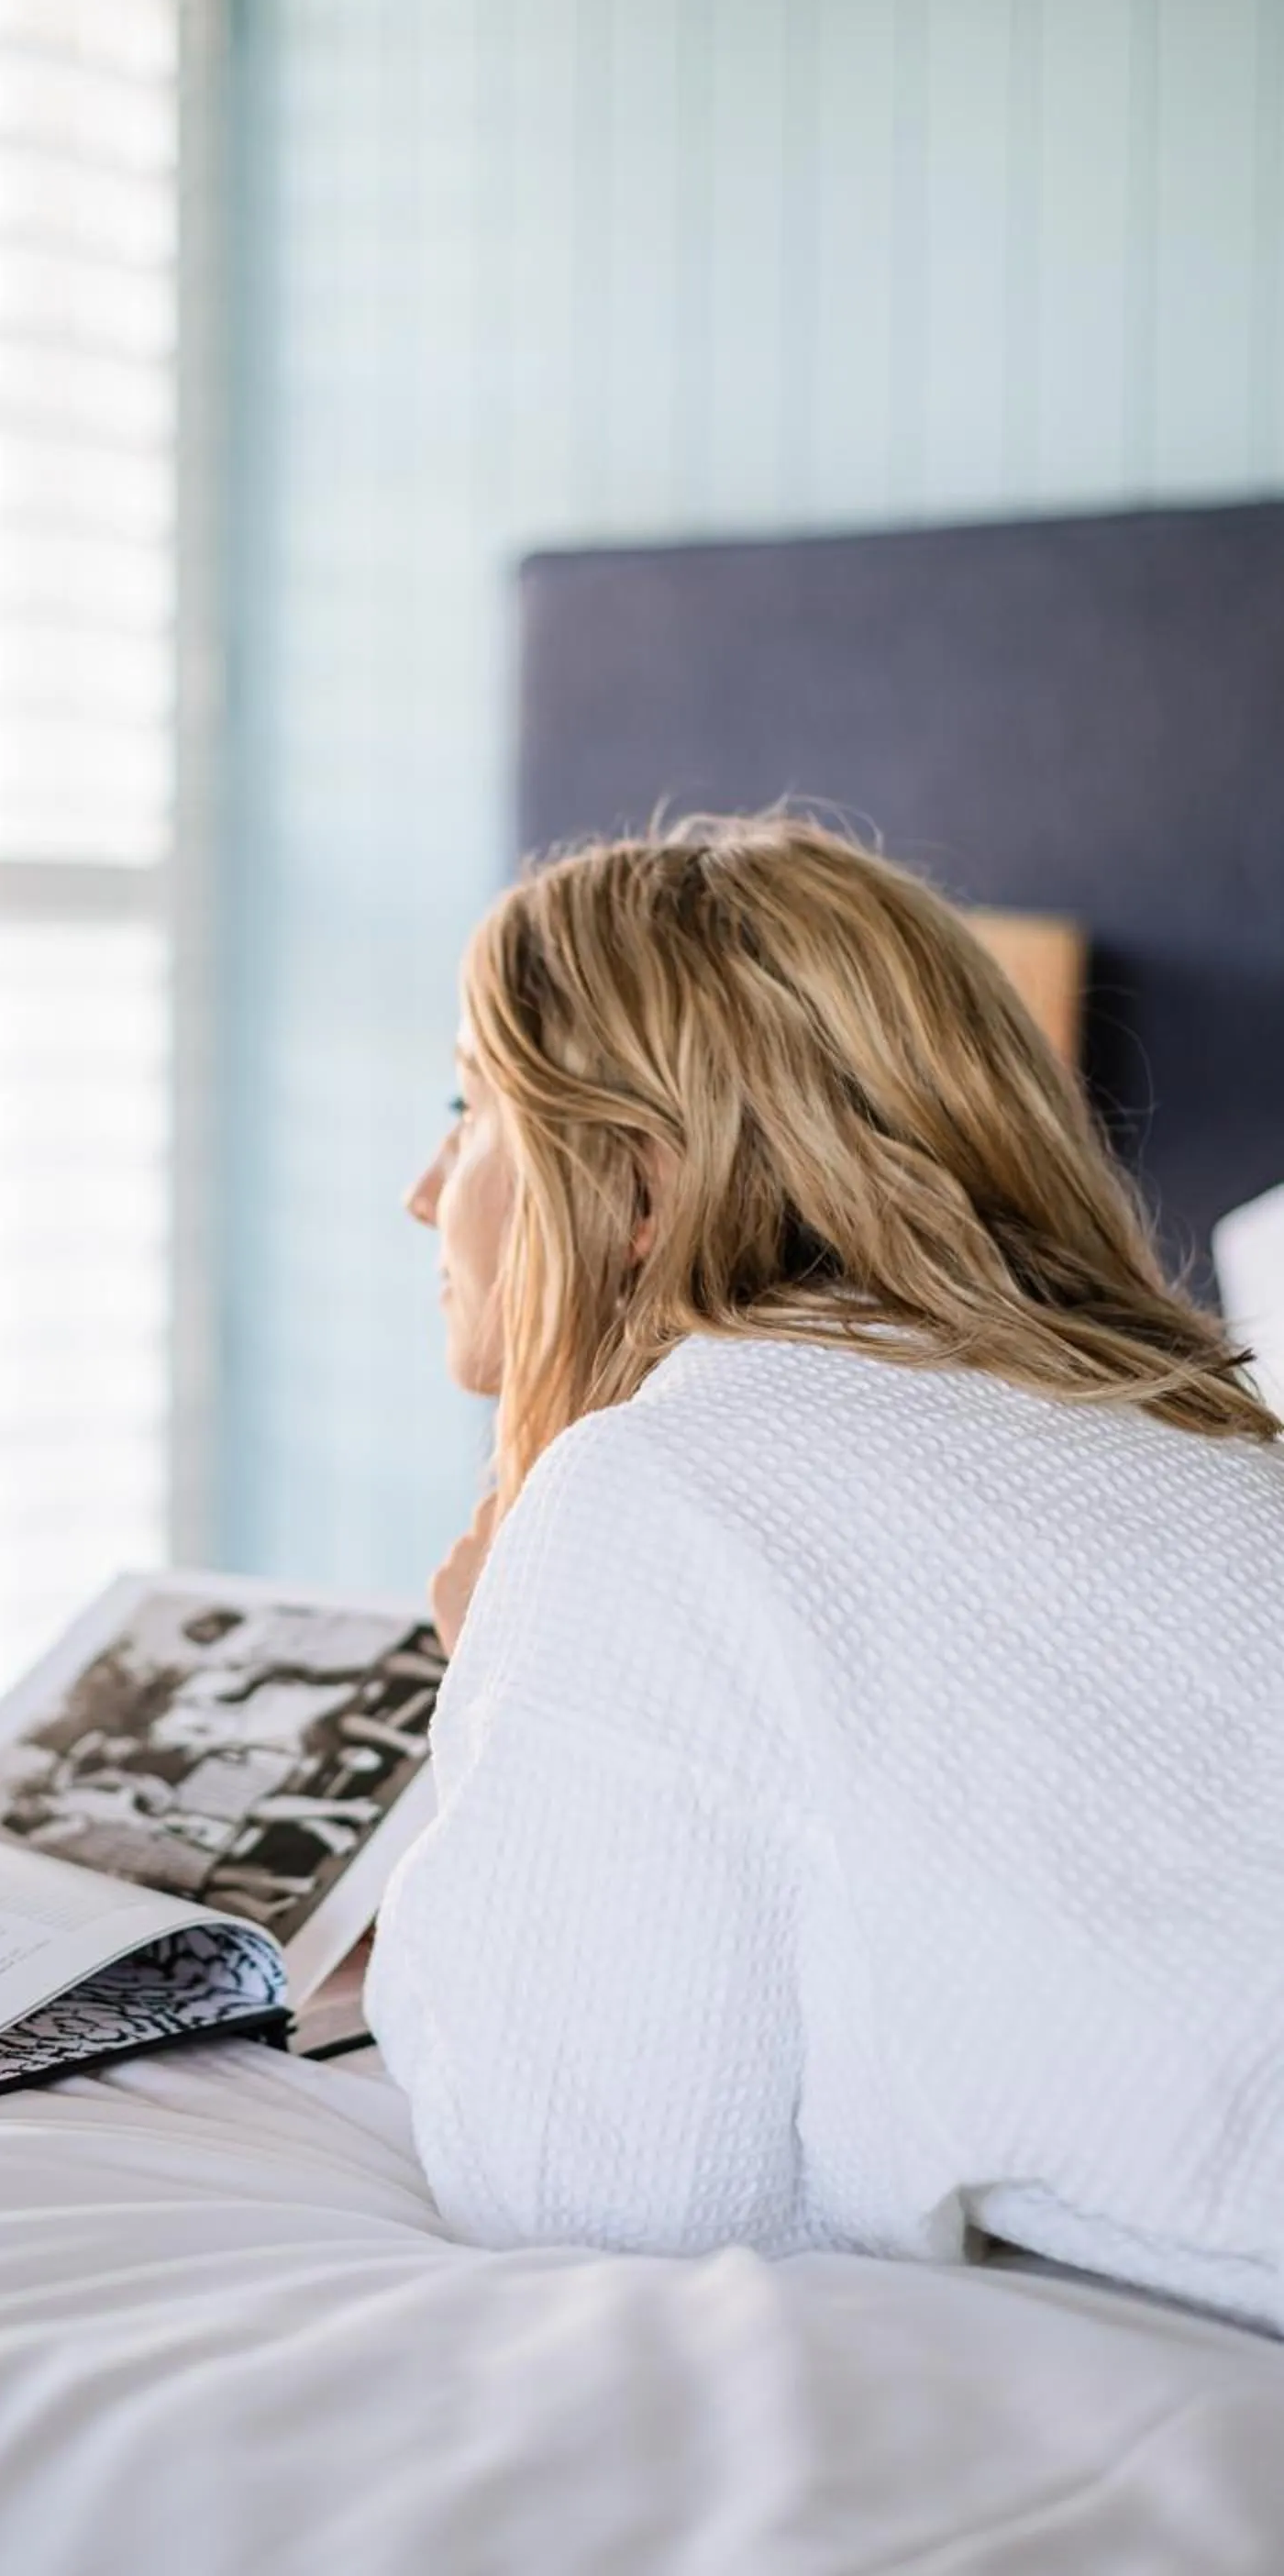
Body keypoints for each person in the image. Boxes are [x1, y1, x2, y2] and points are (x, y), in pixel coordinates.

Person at [364, 812, 1284, 2330]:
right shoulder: (1195, 1435)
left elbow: (585, 2197)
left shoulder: (661, 1488)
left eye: (470, 1110)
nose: (422, 1188)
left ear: (638, 1182)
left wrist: (490, 1706)